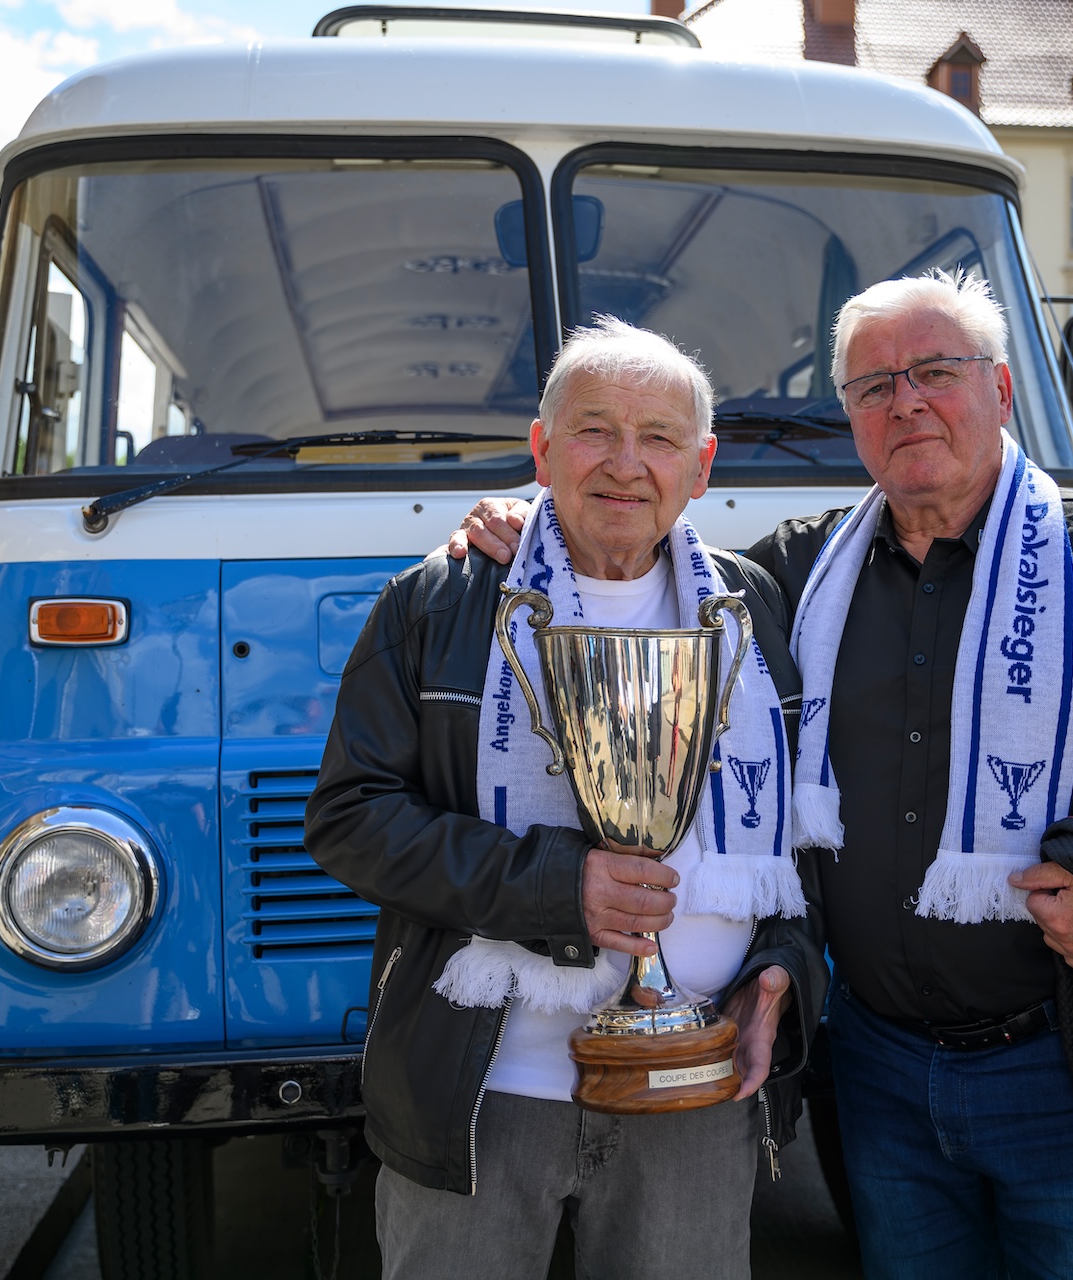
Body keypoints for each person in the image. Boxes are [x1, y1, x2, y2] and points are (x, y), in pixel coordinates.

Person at [447, 271, 1073, 1279]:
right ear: (850, 418)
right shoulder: (793, 577)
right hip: (881, 1078)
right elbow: (640, 534)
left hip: (1067, 1066)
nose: (907, 401)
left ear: (1003, 392)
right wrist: (522, 521)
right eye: (874, 385)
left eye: (936, 371)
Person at [305, 318, 826, 1280]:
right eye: (594, 430)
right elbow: (349, 818)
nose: (627, 465)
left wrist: (784, 973)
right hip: (484, 1092)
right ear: (542, 450)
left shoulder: (754, 610)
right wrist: (558, 890)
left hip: (694, 1091)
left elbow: (804, 837)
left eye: (661, 437)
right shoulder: (440, 600)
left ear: (702, 466)